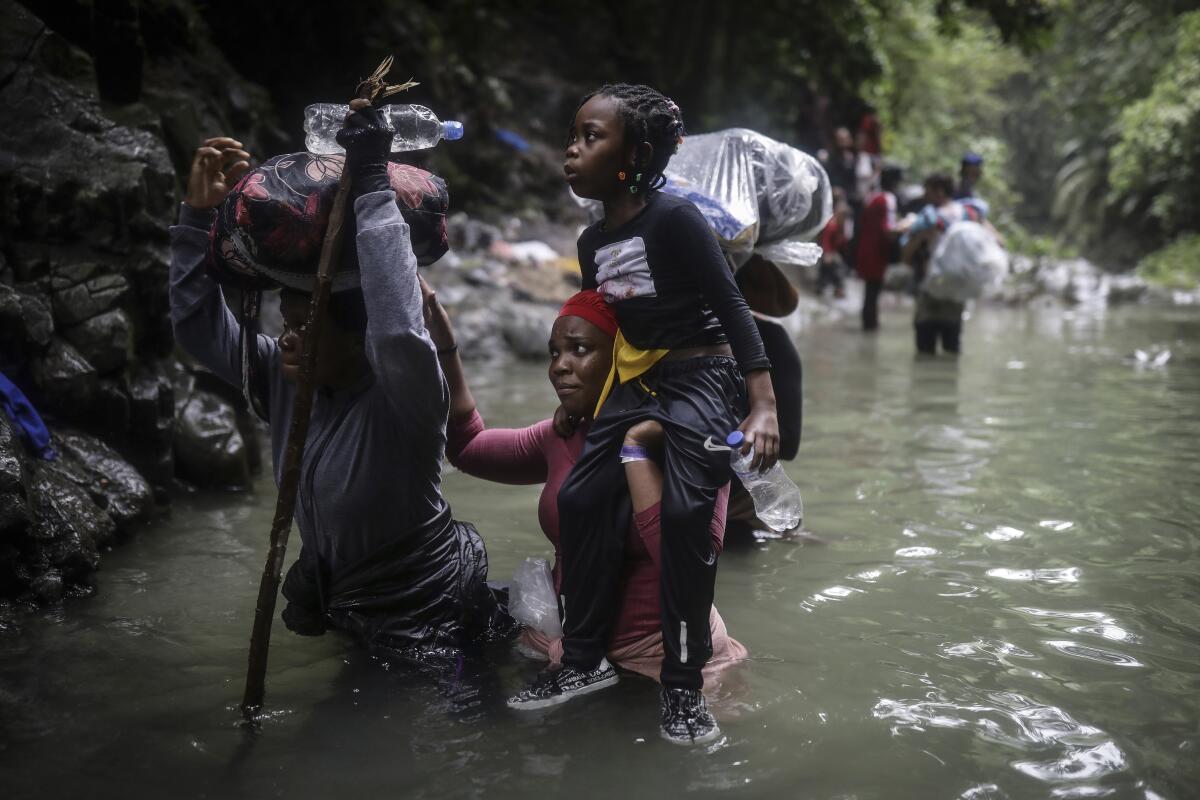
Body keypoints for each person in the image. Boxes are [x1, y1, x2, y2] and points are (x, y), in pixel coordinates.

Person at [168, 112, 506, 672]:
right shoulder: (284, 382)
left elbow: (399, 329)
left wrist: (374, 185)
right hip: (349, 599)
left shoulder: (405, 399)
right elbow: (197, 329)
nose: (287, 336)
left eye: (307, 323)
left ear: (359, 340)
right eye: (287, 320)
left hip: (429, 609)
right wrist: (197, 218)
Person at [506, 83, 779, 746]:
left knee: (687, 515)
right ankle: (584, 661)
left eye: (591, 137)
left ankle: (684, 690)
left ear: (636, 154)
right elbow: (613, 334)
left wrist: (763, 402)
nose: (572, 150)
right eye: (573, 135)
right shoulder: (592, 240)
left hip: (705, 377)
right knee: (580, 496)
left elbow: (733, 305)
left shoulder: (676, 220)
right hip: (642, 381)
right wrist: (581, 405)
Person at [421, 284, 748, 683]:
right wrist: (446, 348)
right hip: (569, 652)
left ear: (624, 360)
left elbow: (686, 565)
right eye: (554, 352)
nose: (559, 366)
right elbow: (468, 448)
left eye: (579, 349)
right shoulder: (561, 435)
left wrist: (636, 448)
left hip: (663, 660)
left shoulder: (689, 439)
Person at [854, 164, 905, 331]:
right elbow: (887, 229)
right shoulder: (888, 198)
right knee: (873, 292)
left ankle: (868, 326)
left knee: (870, 292)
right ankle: (870, 327)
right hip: (877, 253)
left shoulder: (872, 196)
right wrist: (906, 226)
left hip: (864, 249)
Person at [817, 197, 851, 299]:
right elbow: (826, 241)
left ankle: (837, 288)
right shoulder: (832, 225)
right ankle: (824, 286)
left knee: (839, 266)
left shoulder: (842, 226)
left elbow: (843, 243)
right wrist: (828, 253)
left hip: (834, 251)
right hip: (826, 251)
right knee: (834, 266)